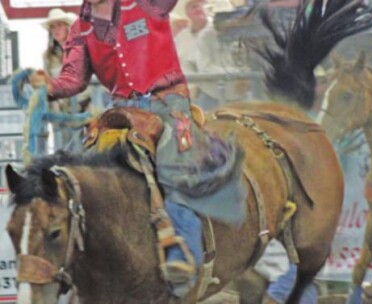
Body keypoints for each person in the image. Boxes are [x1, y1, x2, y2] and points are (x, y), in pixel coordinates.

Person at [21, 0, 246, 299]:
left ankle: (182, 257)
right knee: (71, 169)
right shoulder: (81, 29)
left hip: (168, 104)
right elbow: (73, 79)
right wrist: (45, 87)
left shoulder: (148, 5)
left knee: (173, 168)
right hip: (121, 111)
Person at [171, 0, 249, 110]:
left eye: (202, 5)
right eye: (193, 6)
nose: (199, 9)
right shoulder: (183, 37)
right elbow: (181, 63)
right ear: (187, 12)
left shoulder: (232, 33)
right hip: (203, 93)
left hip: (235, 92)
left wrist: (242, 76)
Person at [42, 8, 93, 151]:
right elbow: (48, 83)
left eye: (59, 25)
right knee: (67, 148)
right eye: (53, 27)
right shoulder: (48, 57)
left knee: (91, 146)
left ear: (67, 27)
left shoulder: (81, 48)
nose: (56, 29)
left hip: (86, 105)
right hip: (64, 110)